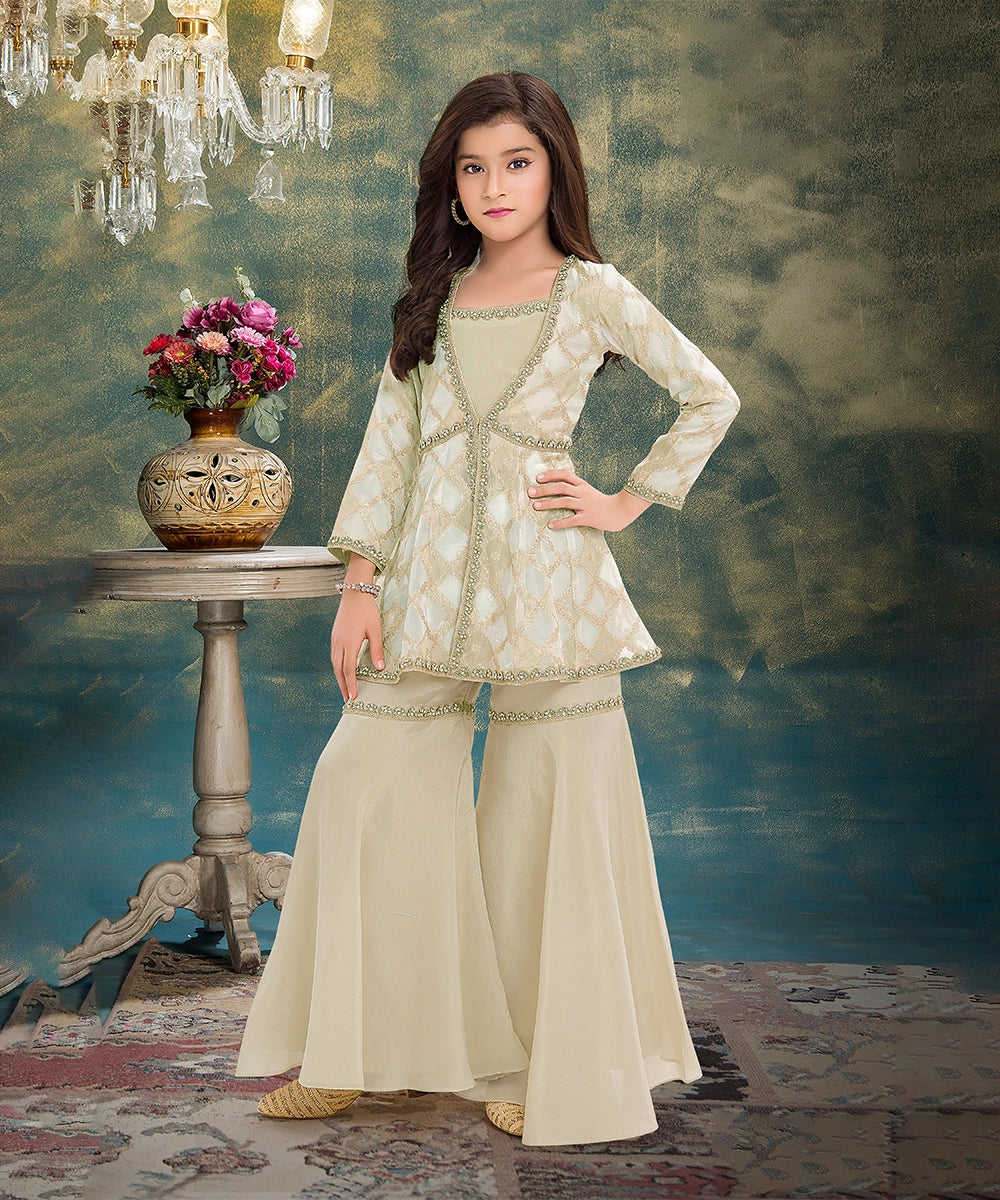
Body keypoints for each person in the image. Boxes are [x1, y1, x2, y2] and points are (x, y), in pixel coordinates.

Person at [235, 71, 739, 1147]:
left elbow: (710, 393)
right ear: (450, 187)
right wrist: (357, 586)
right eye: (472, 168)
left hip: (552, 596)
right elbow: (388, 450)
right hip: (421, 590)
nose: (494, 185)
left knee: (538, 825)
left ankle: (533, 1060)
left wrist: (626, 500)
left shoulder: (593, 292)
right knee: (360, 785)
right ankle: (350, 1050)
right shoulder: (433, 300)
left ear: (555, 170)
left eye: (516, 162)